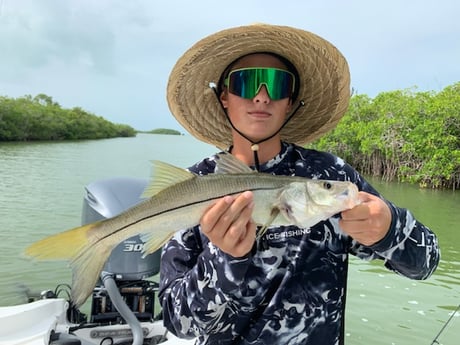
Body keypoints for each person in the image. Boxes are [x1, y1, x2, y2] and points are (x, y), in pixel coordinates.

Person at [158, 23, 440, 345]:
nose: (262, 96)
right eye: (246, 82)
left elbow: (425, 265)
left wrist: (390, 228)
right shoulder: (193, 186)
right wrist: (224, 259)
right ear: (224, 97)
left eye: (277, 85)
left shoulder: (331, 176)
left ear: (289, 102)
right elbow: (177, 321)